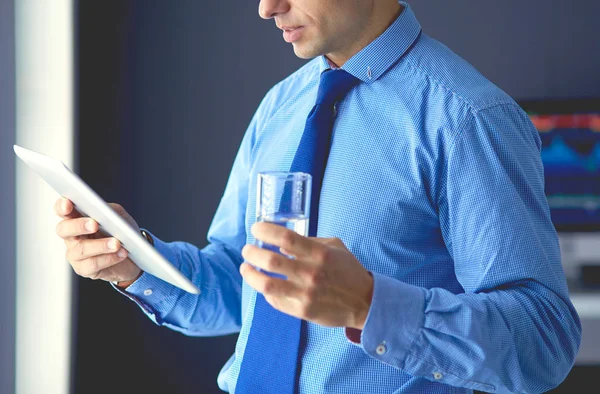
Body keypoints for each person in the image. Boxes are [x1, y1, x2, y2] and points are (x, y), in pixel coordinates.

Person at [54, 1, 582, 393]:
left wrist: (368, 304)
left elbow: (543, 342)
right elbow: (237, 283)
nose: (267, 8)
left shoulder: (467, 118)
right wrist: (132, 261)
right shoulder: (280, 106)